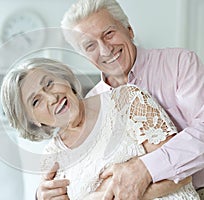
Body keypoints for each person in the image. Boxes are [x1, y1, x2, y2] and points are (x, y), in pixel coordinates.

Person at [36, 0, 204, 199]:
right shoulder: (92, 103)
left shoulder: (179, 64)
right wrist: (42, 195)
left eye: (108, 33)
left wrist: (145, 168)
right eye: (90, 45)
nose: (105, 50)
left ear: (129, 29)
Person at [1, 57, 200, 200]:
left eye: (49, 84)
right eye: (36, 101)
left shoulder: (127, 100)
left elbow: (181, 174)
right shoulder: (52, 158)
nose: (52, 98)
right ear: (33, 121)